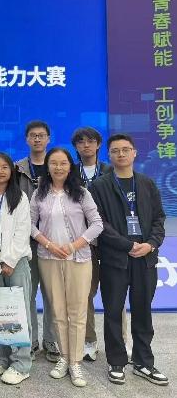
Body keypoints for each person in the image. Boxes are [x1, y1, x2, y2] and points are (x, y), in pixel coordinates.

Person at [90, 134, 168, 386]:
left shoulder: (147, 183)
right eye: (116, 150)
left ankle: (144, 362)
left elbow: (158, 219)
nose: (121, 154)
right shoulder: (99, 186)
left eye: (126, 149)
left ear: (134, 153)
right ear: (109, 155)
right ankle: (116, 361)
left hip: (145, 259)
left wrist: (151, 244)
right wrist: (127, 245)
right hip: (115, 259)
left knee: (143, 311)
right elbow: (99, 223)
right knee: (113, 311)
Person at [30, 147, 103, 387]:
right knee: (58, 311)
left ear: (70, 166)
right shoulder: (39, 194)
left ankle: (76, 362)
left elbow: (97, 224)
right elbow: (29, 225)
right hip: (48, 258)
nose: (58, 167)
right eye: (54, 163)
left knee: (77, 312)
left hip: (78, 259)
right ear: (47, 167)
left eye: (63, 163)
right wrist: (49, 245)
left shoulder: (81, 193)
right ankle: (63, 357)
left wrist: (73, 246)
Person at [71, 127, 129, 363]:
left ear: (98, 145)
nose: (86, 145)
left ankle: (122, 341)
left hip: (111, 239)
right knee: (85, 294)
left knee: (116, 293)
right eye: (81, 142)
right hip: (84, 241)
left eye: (91, 141)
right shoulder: (70, 172)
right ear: (76, 147)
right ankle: (89, 341)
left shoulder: (110, 170)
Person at [0, 152, 33, 385]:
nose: (0, 171)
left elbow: (23, 231)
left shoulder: (20, 197)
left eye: (5, 167)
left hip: (16, 262)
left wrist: (9, 261)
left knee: (18, 312)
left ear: (12, 171)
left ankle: (21, 362)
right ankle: (0, 358)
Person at [15, 120, 59, 361]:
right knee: (28, 293)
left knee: (52, 294)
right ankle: (30, 340)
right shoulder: (17, 169)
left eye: (42, 135)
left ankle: (51, 340)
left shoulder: (58, 166)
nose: (37, 139)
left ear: (48, 138)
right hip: (26, 242)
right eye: (33, 135)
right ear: (27, 139)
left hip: (53, 241)